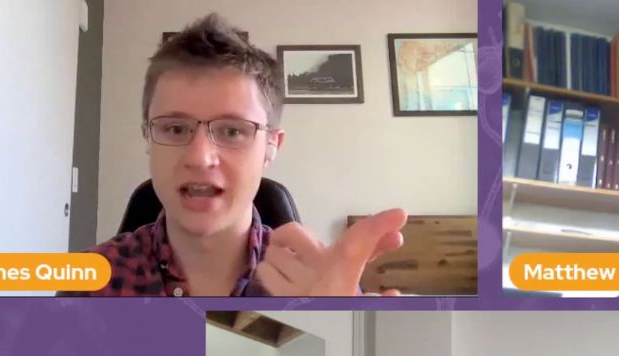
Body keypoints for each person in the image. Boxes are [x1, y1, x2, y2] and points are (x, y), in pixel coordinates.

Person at [76, 13, 405, 297]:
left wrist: (339, 329)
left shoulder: (322, 288)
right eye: (175, 129)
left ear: (272, 146)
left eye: (233, 131)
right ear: (148, 138)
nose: (200, 157)